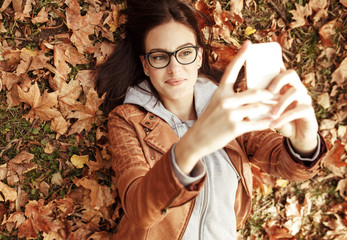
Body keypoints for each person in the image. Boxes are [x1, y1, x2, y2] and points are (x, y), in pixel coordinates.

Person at [96, 0, 327, 239]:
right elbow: (139, 209)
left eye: (185, 53)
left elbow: (283, 162)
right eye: (160, 57)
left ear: (198, 57)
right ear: (146, 65)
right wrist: (192, 146)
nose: (174, 69)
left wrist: (305, 142)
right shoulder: (127, 119)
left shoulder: (228, 109)